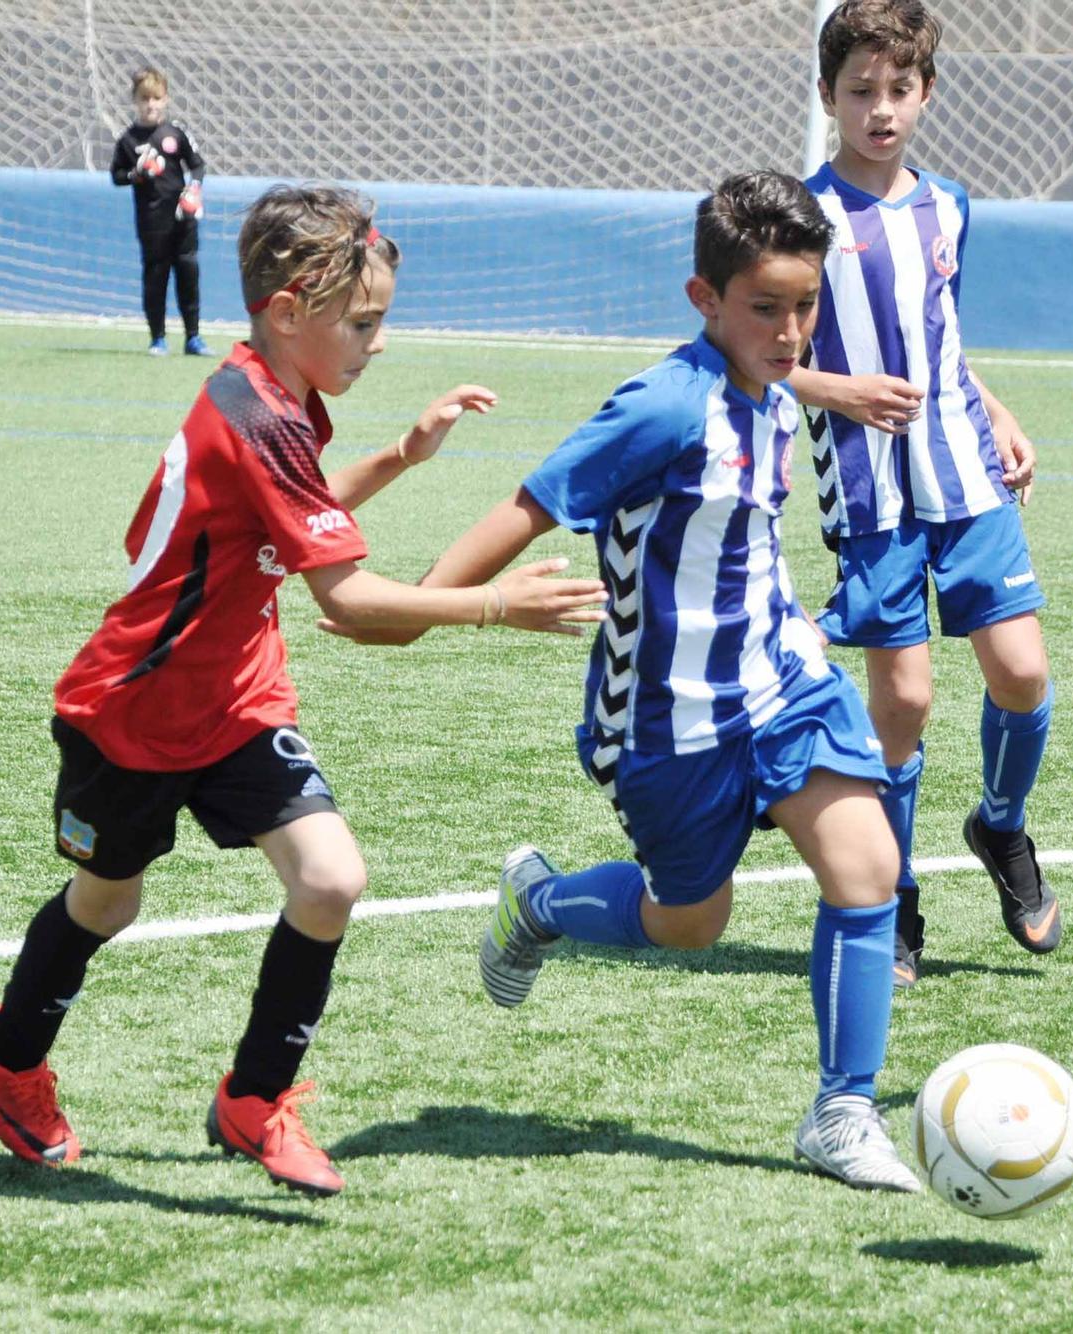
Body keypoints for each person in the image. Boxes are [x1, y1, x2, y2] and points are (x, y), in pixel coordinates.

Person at [0, 184, 606, 1198]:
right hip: (134, 708)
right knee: (106, 900)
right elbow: (341, 588)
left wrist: (395, 454)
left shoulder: (278, 395)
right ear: (288, 309)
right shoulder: (247, 411)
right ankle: (8, 1054)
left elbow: (286, 517)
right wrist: (490, 605)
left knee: (330, 879)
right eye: (363, 323)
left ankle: (255, 1097)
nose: (377, 343)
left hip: (239, 700)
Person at [335, 170, 921, 1192]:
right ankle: (543, 904)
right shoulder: (658, 410)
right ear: (705, 300)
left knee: (866, 869)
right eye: (765, 308)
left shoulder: (773, 385)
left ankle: (841, 1107)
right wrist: (435, 605)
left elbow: (772, 413)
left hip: (783, 684)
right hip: (666, 723)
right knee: (689, 925)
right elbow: (530, 505)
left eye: (804, 306)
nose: (790, 332)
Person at [787, 0, 1056, 989]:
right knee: (900, 700)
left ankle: (999, 823)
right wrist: (836, 389)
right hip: (866, 491)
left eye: (898, 90)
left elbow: (936, 334)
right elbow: (758, 359)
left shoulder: (949, 205)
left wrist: (996, 410)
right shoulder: (797, 217)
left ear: (926, 92)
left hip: (963, 472)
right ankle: (893, 898)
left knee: (1019, 672)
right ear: (827, 97)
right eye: (859, 91)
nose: (879, 109)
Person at [111, 67, 210, 356]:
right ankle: (158, 338)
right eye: (144, 99)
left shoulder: (175, 133)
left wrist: (194, 189)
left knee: (188, 274)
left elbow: (198, 165)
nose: (150, 104)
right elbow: (116, 176)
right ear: (135, 101)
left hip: (183, 220)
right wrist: (136, 174)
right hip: (151, 222)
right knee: (156, 277)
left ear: (165, 99)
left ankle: (193, 337)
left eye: (156, 98)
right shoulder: (128, 140)